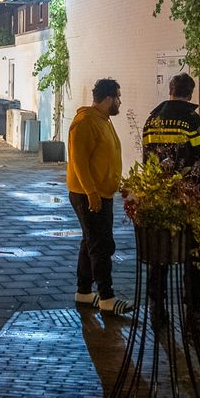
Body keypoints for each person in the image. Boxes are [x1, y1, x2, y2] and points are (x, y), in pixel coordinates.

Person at [142, 72, 200, 336]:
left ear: (171, 90)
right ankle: (193, 317)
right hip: (189, 200)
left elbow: (147, 158)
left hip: (159, 198)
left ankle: (157, 312)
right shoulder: (191, 120)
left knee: (159, 257)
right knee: (192, 258)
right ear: (190, 93)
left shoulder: (152, 119)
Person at [67, 78, 133, 317]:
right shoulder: (85, 122)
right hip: (88, 195)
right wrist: (92, 193)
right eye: (117, 97)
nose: (120, 102)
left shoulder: (103, 120)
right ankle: (107, 298)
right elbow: (79, 162)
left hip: (101, 193)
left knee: (91, 242)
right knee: (101, 245)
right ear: (107, 99)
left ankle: (84, 293)